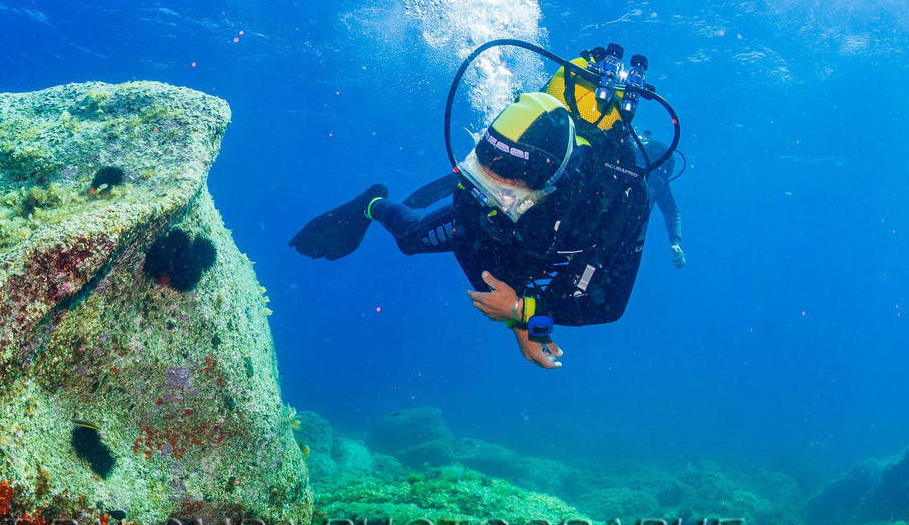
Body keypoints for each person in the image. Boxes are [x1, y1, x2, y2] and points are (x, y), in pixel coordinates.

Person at [288, 89, 651, 370]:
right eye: (478, 178)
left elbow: (606, 306)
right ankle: (372, 203)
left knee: (550, 289)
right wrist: (518, 318)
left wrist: (524, 314)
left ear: (547, 188)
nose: (485, 202)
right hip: (519, 252)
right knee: (410, 241)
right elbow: (479, 254)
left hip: (557, 249)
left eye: (501, 194)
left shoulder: (619, 202)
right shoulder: (480, 186)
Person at [636, 133, 685, 268]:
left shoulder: (660, 185)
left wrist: (675, 242)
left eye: (659, 180)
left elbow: (671, 211)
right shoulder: (625, 165)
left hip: (631, 236)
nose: (653, 185)